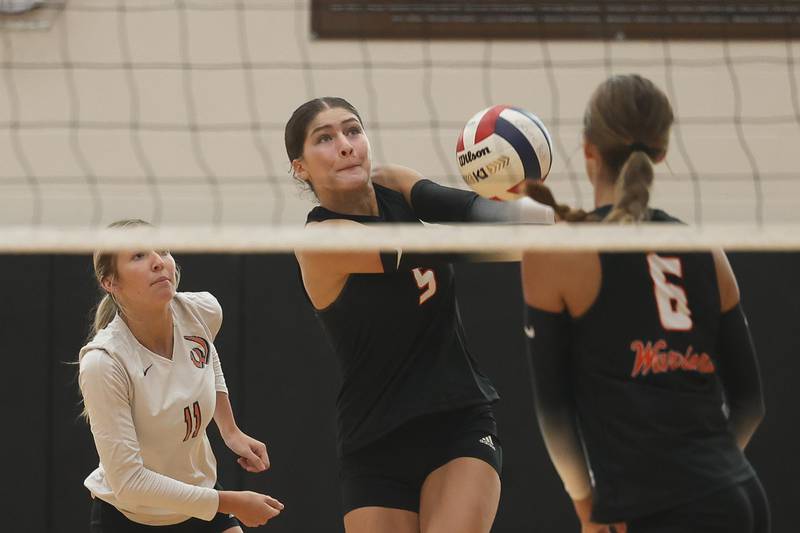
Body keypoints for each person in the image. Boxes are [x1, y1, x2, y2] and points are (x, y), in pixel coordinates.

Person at [286, 96, 554, 533]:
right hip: (375, 438)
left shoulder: (393, 183)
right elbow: (436, 248)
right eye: (326, 138)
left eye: (353, 130)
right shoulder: (321, 241)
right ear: (300, 167)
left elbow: (470, 212)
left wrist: (538, 215)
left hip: (459, 421)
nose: (346, 145)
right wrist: (535, 238)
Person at [521, 74, 770, 533]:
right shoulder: (707, 250)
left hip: (659, 510)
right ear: (661, 153)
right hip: (739, 497)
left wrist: (586, 505)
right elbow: (750, 402)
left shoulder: (557, 251)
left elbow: (554, 410)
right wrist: (710, 473)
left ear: (588, 147)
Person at [78, 219, 284, 532]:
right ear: (110, 282)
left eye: (162, 250)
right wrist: (231, 502)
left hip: (200, 502)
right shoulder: (104, 363)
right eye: (138, 256)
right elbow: (130, 482)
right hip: (131, 517)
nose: (159, 262)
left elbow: (205, 356)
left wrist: (229, 429)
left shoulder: (202, 311)